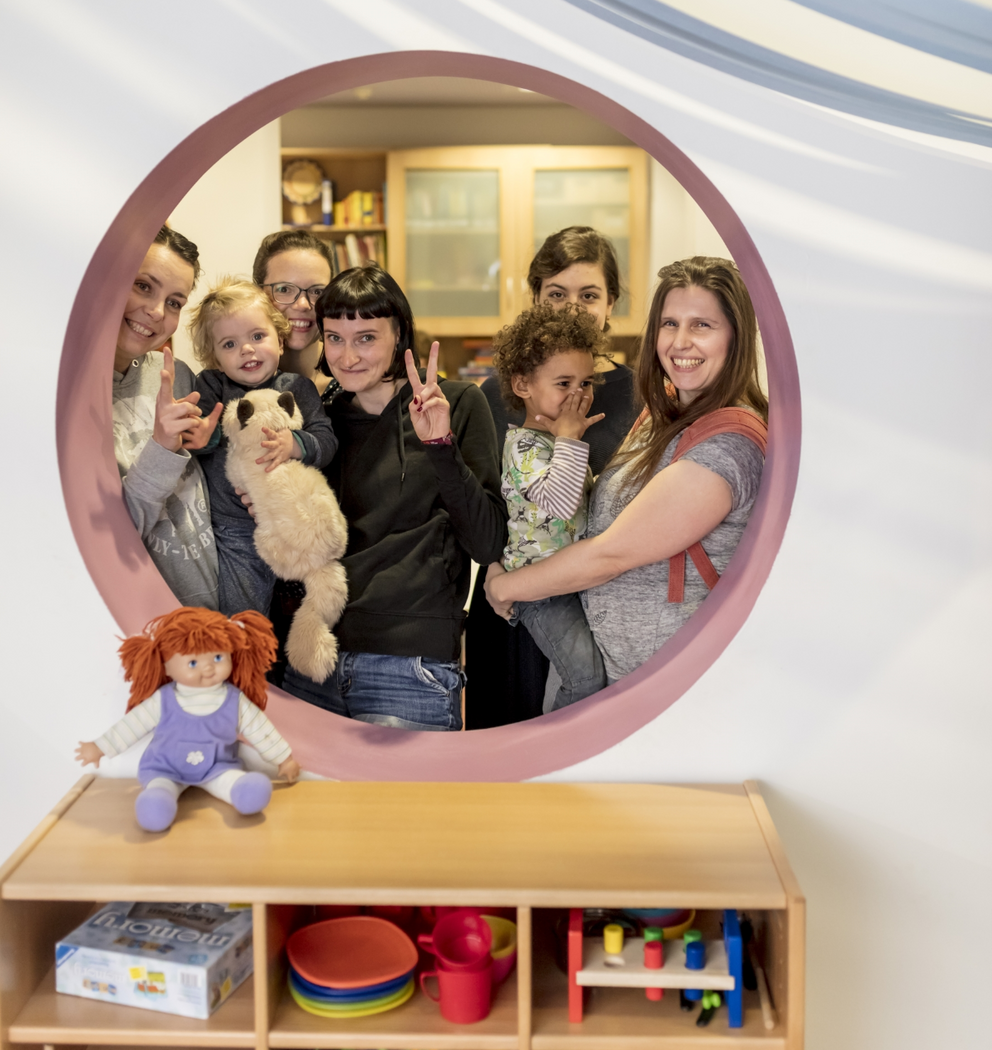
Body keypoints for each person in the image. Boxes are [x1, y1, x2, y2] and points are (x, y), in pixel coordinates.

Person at [486, 256, 768, 687]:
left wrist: (507, 586)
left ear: (736, 337)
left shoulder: (728, 444)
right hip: (616, 674)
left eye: (702, 326)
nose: (680, 342)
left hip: (668, 685)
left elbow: (609, 554)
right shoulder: (662, 413)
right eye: (670, 323)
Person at [280, 263, 506, 731]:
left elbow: (487, 543)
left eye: (366, 337)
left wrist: (441, 447)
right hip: (314, 657)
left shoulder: (458, 403)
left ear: (399, 332)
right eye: (335, 338)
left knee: (405, 808)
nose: (347, 356)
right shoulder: (321, 422)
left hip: (408, 666)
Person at [468, 227, 640, 726]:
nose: (572, 308)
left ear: (611, 304)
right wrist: (497, 575)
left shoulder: (639, 395)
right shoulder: (499, 394)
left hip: (600, 604)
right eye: (556, 294)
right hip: (512, 606)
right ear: (535, 300)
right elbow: (473, 501)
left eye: (589, 295)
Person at [75, 607, 300, 833]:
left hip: (217, 768)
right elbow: (132, 725)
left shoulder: (235, 701)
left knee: (235, 782)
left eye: (218, 657)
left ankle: (242, 791)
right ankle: (158, 801)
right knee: (159, 792)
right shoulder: (162, 700)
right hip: (165, 768)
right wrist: (100, 747)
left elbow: (259, 729)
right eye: (193, 663)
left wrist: (283, 758)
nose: (209, 667)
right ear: (167, 667)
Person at [187, 279, 337, 616]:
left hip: (292, 522)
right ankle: (249, 666)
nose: (247, 350)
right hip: (235, 530)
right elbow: (203, 437)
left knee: (312, 609)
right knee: (244, 618)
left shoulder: (297, 387)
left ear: (281, 341)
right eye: (229, 344)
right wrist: (199, 439)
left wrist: (295, 444)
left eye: (258, 336)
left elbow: (326, 442)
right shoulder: (211, 385)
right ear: (215, 357)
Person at [492, 303, 609, 710]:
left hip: (571, 580)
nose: (580, 395)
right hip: (540, 590)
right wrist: (571, 440)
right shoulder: (523, 447)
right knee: (585, 678)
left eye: (586, 382)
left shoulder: (556, 444)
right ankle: (557, 750)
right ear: (523, 385)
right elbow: (559, 503)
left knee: (576, 674)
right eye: (564, 383)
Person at [112, 225, 221, 609]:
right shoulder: (72, 400)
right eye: (143, 286)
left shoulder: (177, 374)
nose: (157, 312)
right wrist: (160, 446)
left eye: (175, 302)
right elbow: (112, 538)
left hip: (217, 609)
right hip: (157, 629)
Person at [252, 229, 340, 403]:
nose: (302, 305)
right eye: (284, 289)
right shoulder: (229, 381)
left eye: (317, 291)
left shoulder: (353, 379)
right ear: (257, 293)